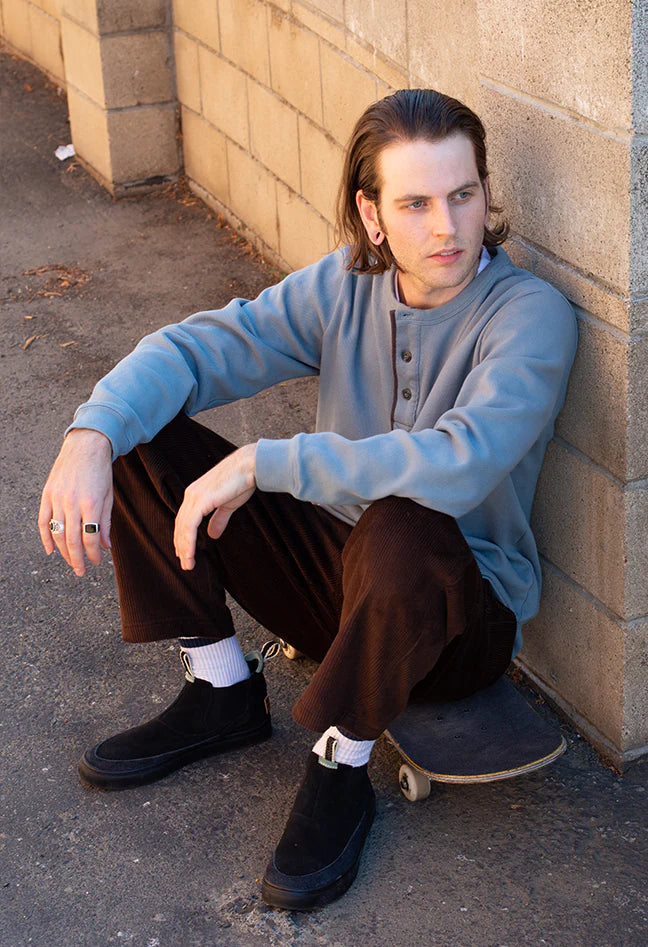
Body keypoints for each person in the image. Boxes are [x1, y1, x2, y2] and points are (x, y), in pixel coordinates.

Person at [38, 88, 577, 911]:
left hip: (457, 620)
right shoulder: (344, 288)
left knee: (406, 518)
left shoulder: (529, 315)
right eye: (416, 203)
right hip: (344, 588)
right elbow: (198, 345)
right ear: (372, 216)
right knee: (145, 432)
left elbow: (458, 464)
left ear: (485, 193)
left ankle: (340, 764)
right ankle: (220, 690)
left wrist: (269, 460)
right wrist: (92, 435)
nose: (447, 227)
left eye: (463, 195)